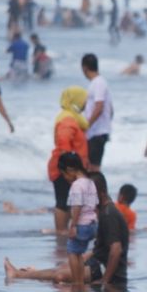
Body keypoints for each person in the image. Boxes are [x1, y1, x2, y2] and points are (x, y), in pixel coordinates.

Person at [4, 172, 129, 285]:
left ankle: (18, 274)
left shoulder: (108, 214)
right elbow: (101, 249)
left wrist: (105, 280)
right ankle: (32, 273)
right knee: (64, 265)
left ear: (100, 193)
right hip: (97, 262)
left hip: (105, 270)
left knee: (60, 275)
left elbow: (116, 250)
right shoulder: (103, 210)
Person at [48, 86, 90, 234]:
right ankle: (61, 231)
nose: (86, 104)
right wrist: (69, 170)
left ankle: (65, 230)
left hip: (70, 168)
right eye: (84, 100)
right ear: (76, 100)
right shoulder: (67, 120)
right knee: (63, 201)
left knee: (69, 200)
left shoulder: (73, 118)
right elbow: (64, 145)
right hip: (63, 168)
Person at [59, 152, 99, 285]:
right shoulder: (90, 182)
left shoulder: (77, 185)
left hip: (81, 224)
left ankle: (77, 282)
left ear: (70, 169)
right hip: (92, 224)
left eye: (64, 174)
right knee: (79, 253)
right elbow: (95, 203)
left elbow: (77, 205)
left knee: (72, 251)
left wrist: (73, 225)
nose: (65, 178)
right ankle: (80, 281)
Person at [81, 53, 114, 172]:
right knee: (91, 167)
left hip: (97, 132)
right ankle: (95, 190)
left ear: (84, 67)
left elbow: (99, 107)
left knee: (93, 169)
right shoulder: (98, 82)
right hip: (98, 131)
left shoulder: (98, 83)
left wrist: (86, 125)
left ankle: (98, 191)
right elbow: (110, 109)